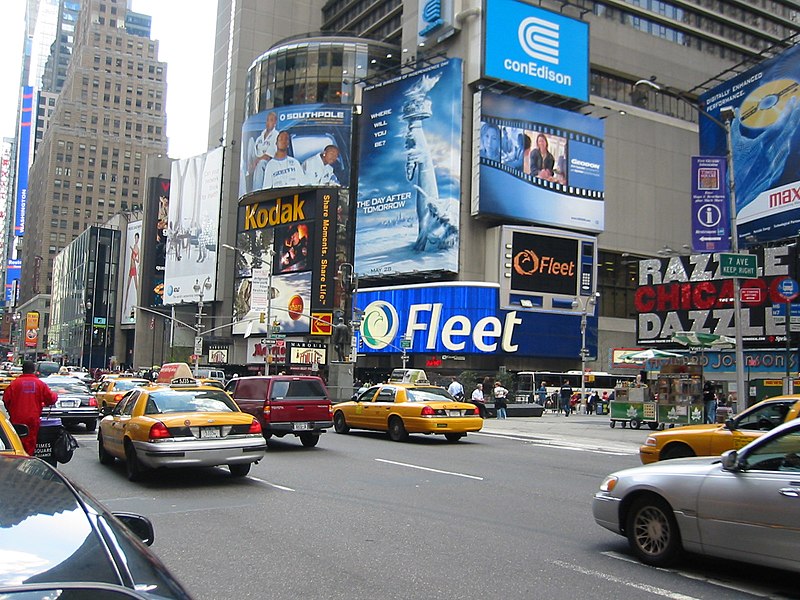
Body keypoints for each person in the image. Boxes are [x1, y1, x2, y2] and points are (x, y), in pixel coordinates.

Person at [2, 361, 58, 455]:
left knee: (16, 442)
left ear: (22, 370)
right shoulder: (40, 384)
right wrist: (55, 395)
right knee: (30, 444)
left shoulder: (14, 384)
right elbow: (51, 399)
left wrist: (11, 410)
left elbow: (6, 399)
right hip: (32, 420)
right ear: (34, 370)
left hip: (17, 419)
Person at [250, 111, 279, 190]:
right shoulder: (260, 137)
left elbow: (269, 155)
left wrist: (257, 161)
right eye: (267, 120)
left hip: (268, 163)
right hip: (257, 161)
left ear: (275, 122)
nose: (268, 122)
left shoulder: (276, 135)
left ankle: (257, 190)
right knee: (250, 143)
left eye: (271, 120)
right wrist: (253, 162)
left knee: (261, 163)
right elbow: (255, 152)